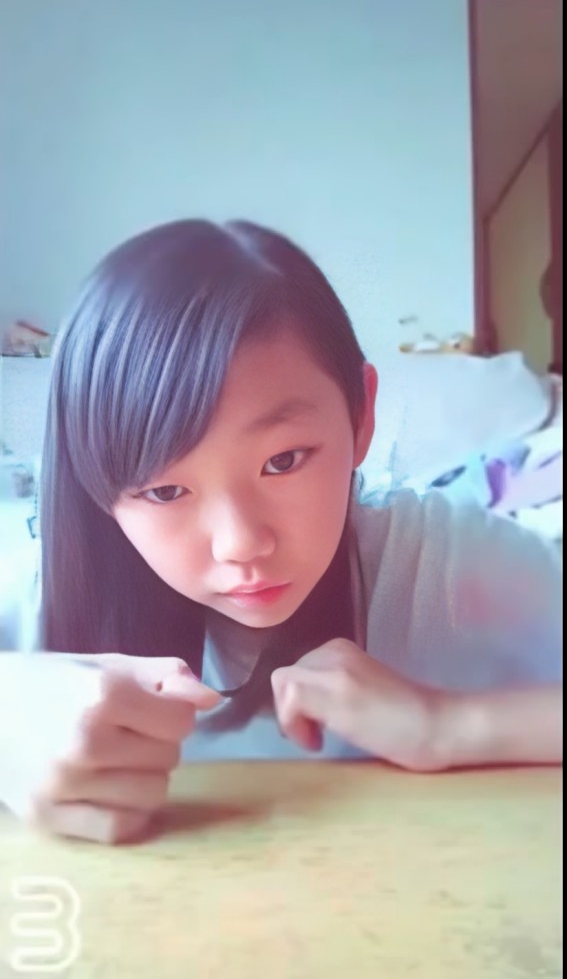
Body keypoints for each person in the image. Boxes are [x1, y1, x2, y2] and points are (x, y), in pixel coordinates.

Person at [0, 219, 562, 845]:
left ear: (361, 415)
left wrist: (449, 725)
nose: (240, 544)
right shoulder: (40, 596)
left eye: (284, 461)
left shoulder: (440, 564)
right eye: (165, 491)